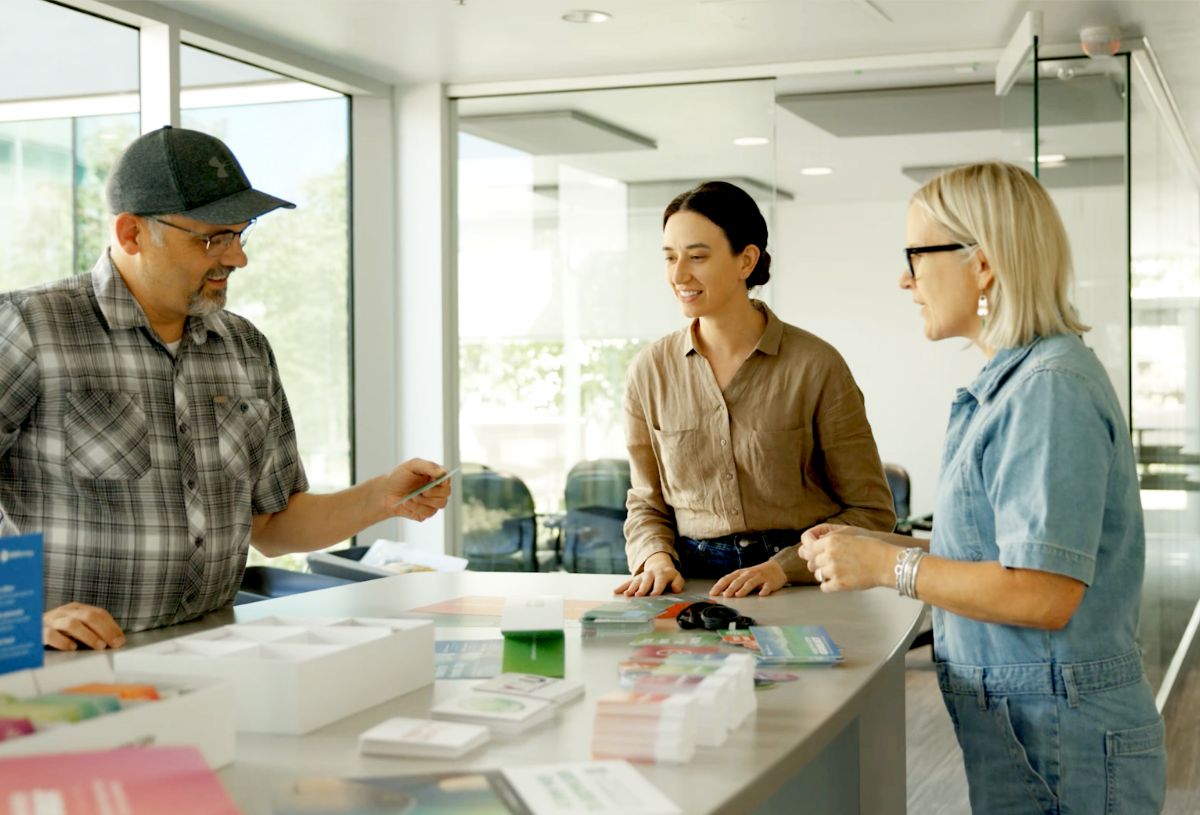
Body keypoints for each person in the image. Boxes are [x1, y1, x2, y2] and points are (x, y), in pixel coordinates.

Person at [799, 161, 1166, 813]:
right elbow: (991, 554)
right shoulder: (1015, 387)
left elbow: (1043, 592)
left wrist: (886, 565)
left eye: (915, 255)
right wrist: (870, 545)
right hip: (1036, 728)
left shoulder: (1048, 391)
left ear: (984, 265)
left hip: (1063, 739)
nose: (905, 279)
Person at [0, 126, 451, 652]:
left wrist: (382, 498)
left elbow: (273, 524)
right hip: (68, 665)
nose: (237, 258)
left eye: (240, 235)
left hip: (213, 654)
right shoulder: (28, 327)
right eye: (212, 239)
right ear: (131, 234)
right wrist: (17, 617)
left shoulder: (244, 347)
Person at [616, 181, 895, 599]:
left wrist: (785, 567)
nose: (678, 275)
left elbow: (872, 512)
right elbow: (646, 503)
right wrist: (655, 559)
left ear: (746, 260)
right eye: (670, 257)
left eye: (697, 257)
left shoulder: (817, 366)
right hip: (693, 585)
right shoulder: (649, 371)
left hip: (802, 580)